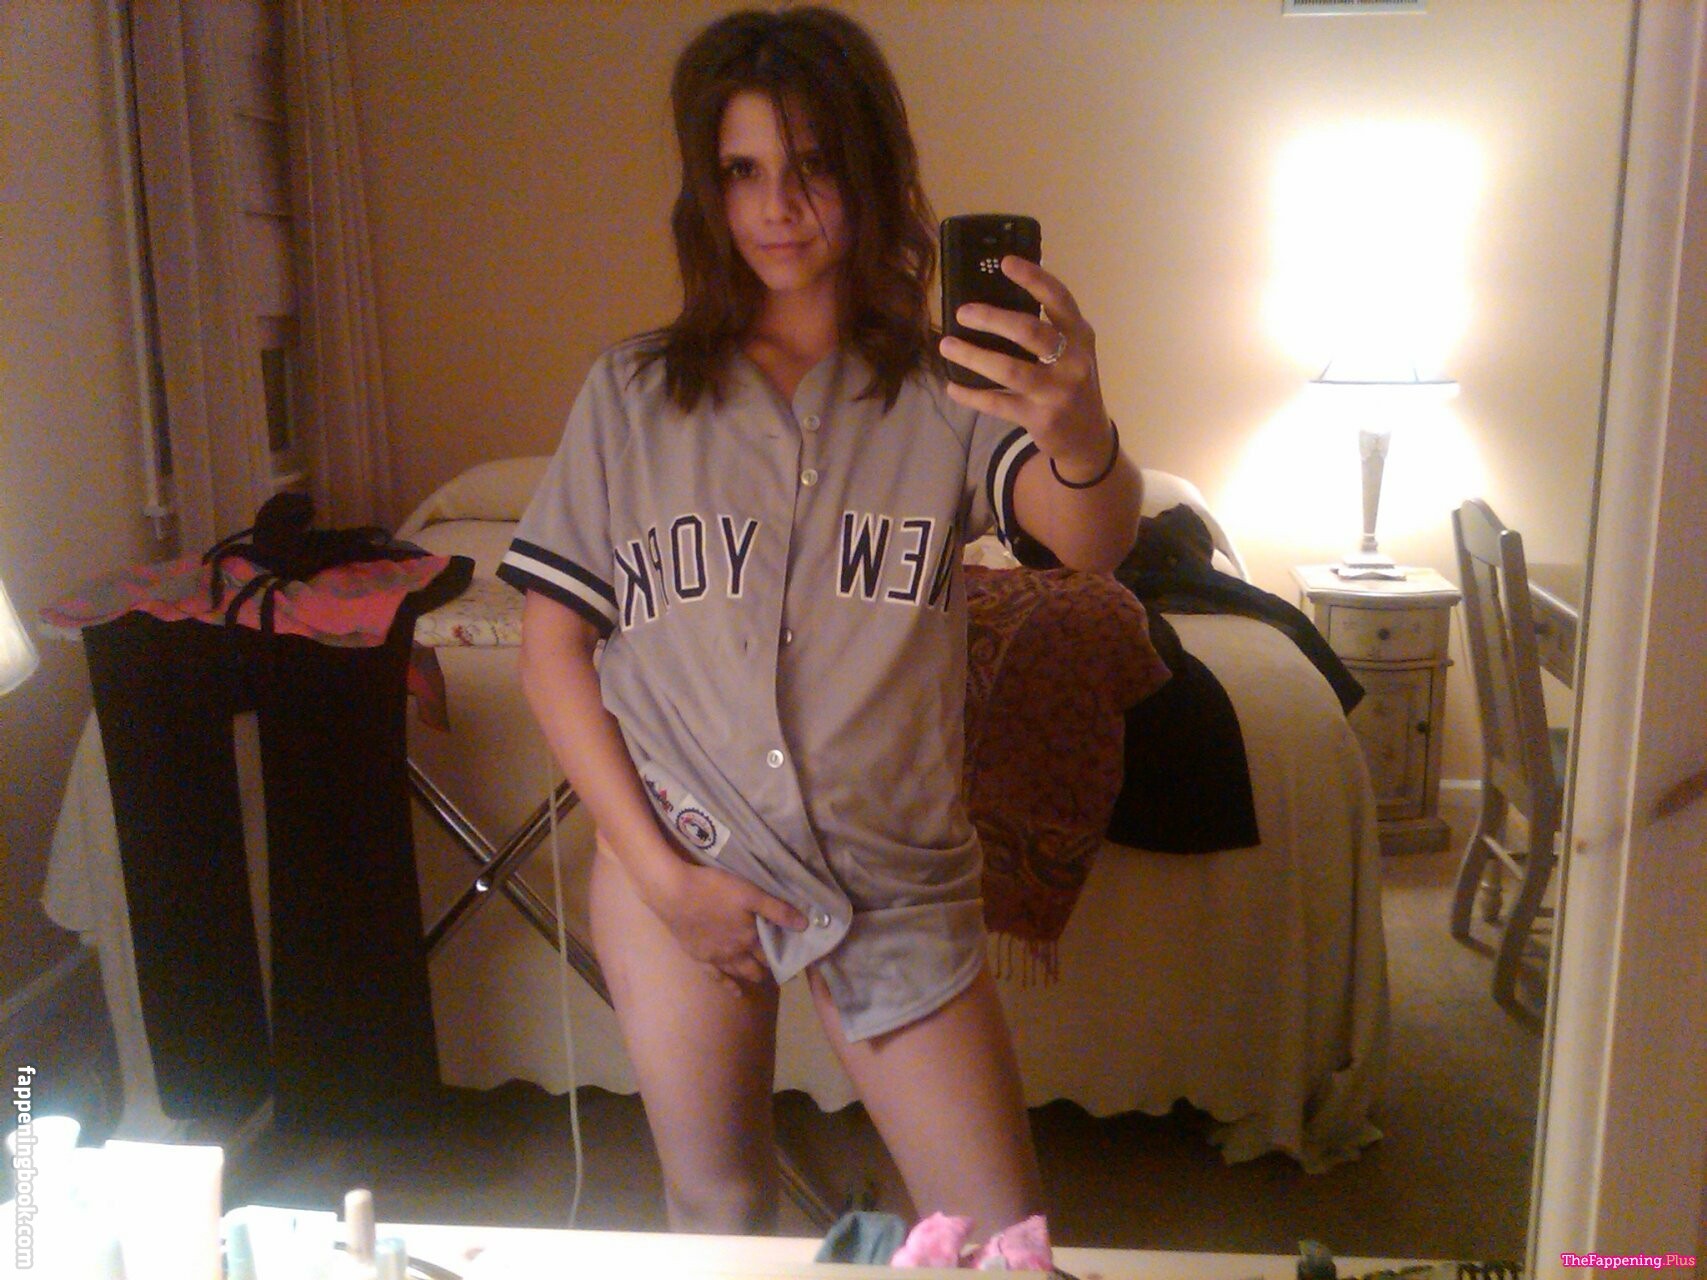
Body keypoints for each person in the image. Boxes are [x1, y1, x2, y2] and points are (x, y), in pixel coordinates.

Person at [498, 4, 1141, 1242]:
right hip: (682, 846)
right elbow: (551, 648)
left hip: (891, 872)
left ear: (872, 170)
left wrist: (1079, 428)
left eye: (812, 166)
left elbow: (1090, 540)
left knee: (999, 1238)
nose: (778, 206)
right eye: (742, 170)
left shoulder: (952, 388)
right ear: (707, 188)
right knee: (717, 1208)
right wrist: (663, 879)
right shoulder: (632, 395)